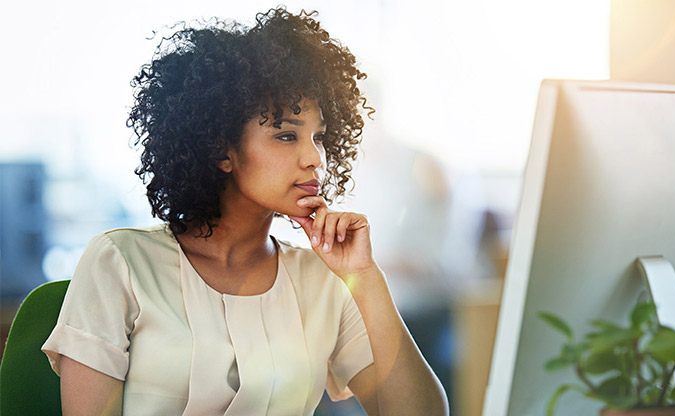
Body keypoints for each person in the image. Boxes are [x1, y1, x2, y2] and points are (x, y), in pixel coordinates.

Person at [41, 7, 448, 416]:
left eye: (319, 137)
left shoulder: (323, 282)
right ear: (222, 150)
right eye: (286, 135)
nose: (315, 159)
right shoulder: (122, 263)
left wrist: (364, 276)